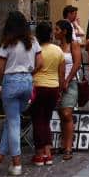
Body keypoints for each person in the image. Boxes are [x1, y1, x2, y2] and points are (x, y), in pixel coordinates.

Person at [0, 11, 42, 175]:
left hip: (11, 81)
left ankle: (16, 163)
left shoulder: (7, 43)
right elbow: (40, 63)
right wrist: (29, 74)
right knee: (12, 121)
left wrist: (5, 79)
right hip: (27, 81)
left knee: (13, 122)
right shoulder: (32, 41)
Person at [29, 21, 64, 166]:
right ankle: (48, 153)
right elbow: (61, 74)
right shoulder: (58, 50)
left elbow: (32, 68)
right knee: (47, 120)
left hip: (38, 86)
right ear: (50, 34)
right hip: (53, 87)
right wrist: (60, 90)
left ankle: (39, 154)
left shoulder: (35, 50)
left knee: (38, 120)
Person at [54, 19, 82, 160]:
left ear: (64, 31)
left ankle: (69, 147)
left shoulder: (74, 44)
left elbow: (77, 63)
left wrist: (68, 79)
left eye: (57, 30)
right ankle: (63, 143)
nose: (55, 32)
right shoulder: (57, 47)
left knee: (67, 114)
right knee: (61, 115)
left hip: (71, 83)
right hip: (58, 84)